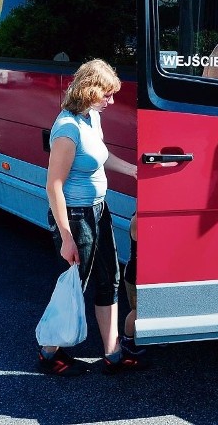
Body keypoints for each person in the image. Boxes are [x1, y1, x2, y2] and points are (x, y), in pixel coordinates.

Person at [39, 58, 147, 376]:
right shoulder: (67, 129)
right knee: (75, 285)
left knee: (109, 281)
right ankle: (48, 351)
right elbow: (53, 186)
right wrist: (67, 237)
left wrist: (132, 170)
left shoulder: (90, 118)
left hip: (98, 211)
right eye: (107, 95)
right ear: (89, 91)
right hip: (75, 217)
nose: (111, 101)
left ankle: (113, 355)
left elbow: (100, 154)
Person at [120, 213, 146, 356]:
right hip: (135, 275)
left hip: (145, 274)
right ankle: (127, 340)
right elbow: (139, 236)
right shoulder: (138, 218)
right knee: (137, 310)